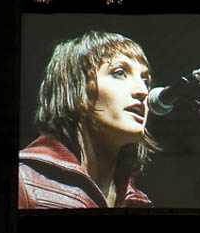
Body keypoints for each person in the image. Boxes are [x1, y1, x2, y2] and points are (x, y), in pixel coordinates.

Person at [18, 30, 157, 209]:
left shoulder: (139, 203)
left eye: (145, 80)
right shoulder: (24, 181)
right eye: (119, 73)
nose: (143, 91)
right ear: (77, 88)